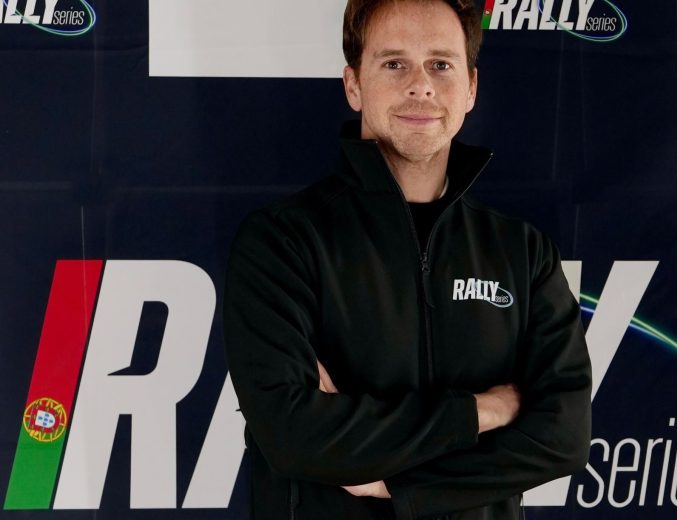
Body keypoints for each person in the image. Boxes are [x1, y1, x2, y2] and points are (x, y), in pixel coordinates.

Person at [223, 0, 592, 518]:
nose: (421, 85)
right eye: (394, 63)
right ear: (353, 85)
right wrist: (482, 411)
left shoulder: (522, 252)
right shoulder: (282, 243)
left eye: (440, 64)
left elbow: (564, 437)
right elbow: (293, 436)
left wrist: (400, 488)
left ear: (471, 87)